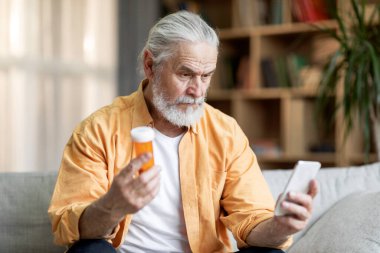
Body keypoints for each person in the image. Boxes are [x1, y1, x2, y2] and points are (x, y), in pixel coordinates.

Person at [48, 11, 318, 253]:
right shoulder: (98, 130)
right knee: (88, 251)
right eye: (186, 74)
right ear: (150, 66)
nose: (198, 91)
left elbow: (251, 222)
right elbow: (66, 227)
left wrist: (280, 227)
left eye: (206, 76)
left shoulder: (226, 133)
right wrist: (113, 205)